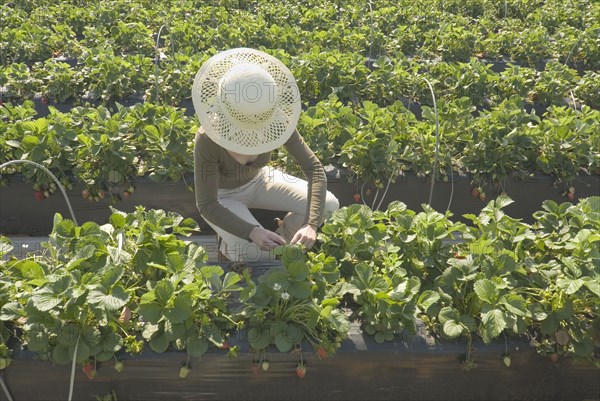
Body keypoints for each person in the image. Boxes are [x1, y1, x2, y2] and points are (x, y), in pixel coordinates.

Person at [191, 48, 339, 262]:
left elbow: (314, 169)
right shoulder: (208, 138)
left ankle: (282, 239)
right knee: (253, 253)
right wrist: (252, 231)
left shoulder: (276, 121)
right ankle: (232, 247)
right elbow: (207, 204)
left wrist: (311, 225)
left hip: (260, 180)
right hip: (222, 197)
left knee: (329, 205)